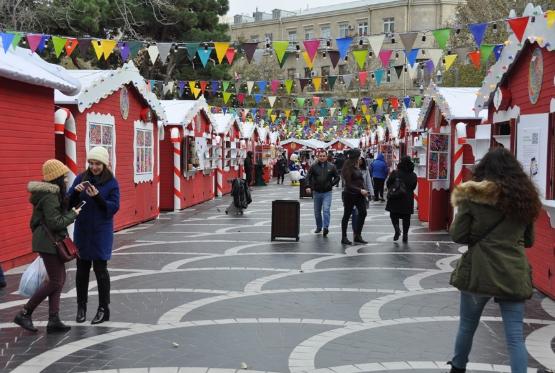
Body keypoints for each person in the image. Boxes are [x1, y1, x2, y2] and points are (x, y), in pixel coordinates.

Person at [447, 148, 542, 373]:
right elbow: (528, 240)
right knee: (515, 337)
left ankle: (458, 368)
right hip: (512, 273)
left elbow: (457, 235)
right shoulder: (526, 198)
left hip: (479, 271)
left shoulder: (472, 195)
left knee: (467, 326)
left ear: (484, 170)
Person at [13, 159, 81, 333]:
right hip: (49, 242)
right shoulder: (50, 196)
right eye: (64, 176)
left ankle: (54, 319)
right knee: (56, 280)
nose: (66, 180)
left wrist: (70, 202)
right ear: (56, 177)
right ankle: (25, 313)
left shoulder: (52, 194)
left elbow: (52, 217)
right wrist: (73, 214)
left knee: (59, 280)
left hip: (49, 241)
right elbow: (56, 222)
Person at [69, 146, 120, 325]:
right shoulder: (80, 178)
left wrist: (98, 197)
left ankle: (103, 309)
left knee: (100, 270)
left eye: (97, 163)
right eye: (91, 163)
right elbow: (68, 204)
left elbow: (113, 208)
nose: (93, 167)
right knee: (81, 270)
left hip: (100, 232)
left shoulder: (111, 183)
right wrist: (75, 192)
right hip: (83, 231)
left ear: (104, 164)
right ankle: (81, 307)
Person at [306, 149, 340, 236]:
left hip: (327, 193)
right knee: (317, 212)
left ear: (326, 156)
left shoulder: (331, 166)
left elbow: (337, 177)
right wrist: (308, 186)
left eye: (323, 156)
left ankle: (326, 227)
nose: (322, 157)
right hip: (317, 192)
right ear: (318, 156)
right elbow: (308, 177)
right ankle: (319, 227)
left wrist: (331, 184)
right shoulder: (313, 166)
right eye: (320, 156)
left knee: (326, 209)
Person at [385, 156, 417, 242]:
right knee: (407, 218)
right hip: (408, 198)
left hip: (395, 198)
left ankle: (397, 229)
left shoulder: (395, 173)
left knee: (393, 215)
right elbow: (414, 187)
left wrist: (394, 189)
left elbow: (388, 184)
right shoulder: (413, 175)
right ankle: (405, 235)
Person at [340, 149, 369, 245]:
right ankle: (344, 237)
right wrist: (360, 190)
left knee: (363, 212)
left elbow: (360, 180)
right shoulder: (347, 167)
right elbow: (348, 184)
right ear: (355, 157)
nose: (360, 158)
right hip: (349, 195)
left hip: (359, 195)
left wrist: (364, 189)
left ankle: (357, 235)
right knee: (347, 215)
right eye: (359, 156)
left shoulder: (356, 167)